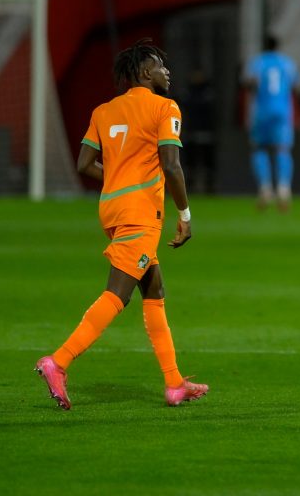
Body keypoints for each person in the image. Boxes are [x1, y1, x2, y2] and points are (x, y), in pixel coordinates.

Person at [35, 40, 208, 409]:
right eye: (161, 66)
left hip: (112, 209)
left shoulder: (104, 111)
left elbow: (85, 164)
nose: (167, 71)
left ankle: (174, 383)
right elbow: (171, 165)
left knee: (154, 290)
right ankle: (59, 361)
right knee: (118, 293)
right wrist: (186, 214)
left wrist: (117, 180)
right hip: (140, 213)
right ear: (145, 73)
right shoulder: (165, 107)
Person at [245, 34, 300, 210]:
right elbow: (297, 86)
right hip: (282, 112)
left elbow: (249, 83)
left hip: (261, 111)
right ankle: (284, 189)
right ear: (278, 46)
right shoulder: (287, 63)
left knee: (259, 148)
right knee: (282, 149)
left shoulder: (257, 62)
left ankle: (265, 188)